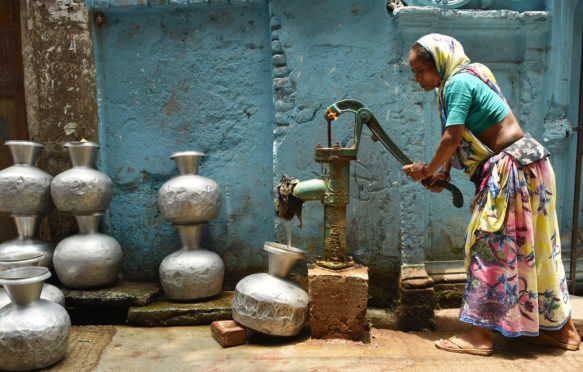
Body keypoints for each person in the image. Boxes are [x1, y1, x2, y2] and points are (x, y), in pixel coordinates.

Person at [403, 33, 581, 356]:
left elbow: (452, 138)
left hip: (512, 171)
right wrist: (443, 174)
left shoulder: (455, 84)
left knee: (487, 247)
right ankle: (562, 332)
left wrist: (427, 170)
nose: (417, 79)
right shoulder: (477, 73)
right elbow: (474, 137)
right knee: (541, 250)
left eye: (420, 71)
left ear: (439, 65)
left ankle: (478, 336)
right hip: (534, 165)